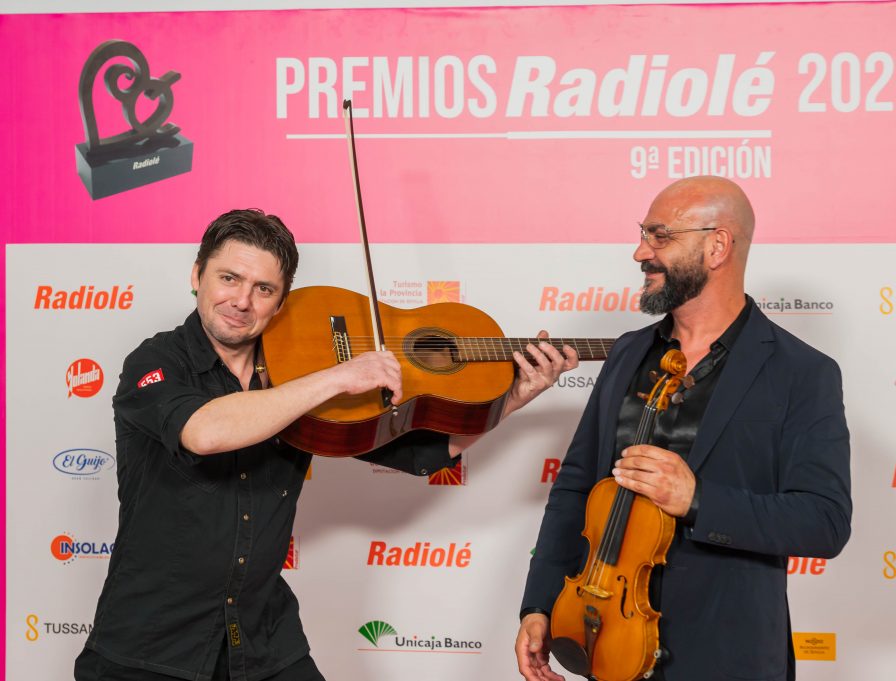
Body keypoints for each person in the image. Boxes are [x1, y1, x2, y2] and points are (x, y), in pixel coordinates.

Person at [75, 208, 579, 681]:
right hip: (150, 644)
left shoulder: (301, 363)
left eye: (263, 288)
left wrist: (511, 399)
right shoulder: (155, 360)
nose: (242, 301)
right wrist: (338, 377)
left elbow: (421, 453)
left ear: (282, 300)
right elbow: (205, 432)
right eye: (228, 278)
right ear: (197, 276)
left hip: (262, 639)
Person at [515, 177, 852, 681]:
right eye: (643, 234)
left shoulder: (802, 372)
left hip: (728, 657)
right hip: (607, 642)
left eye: (660, 236)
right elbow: (575, 488)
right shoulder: (627, 352)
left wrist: (696, 499)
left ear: (717, 246)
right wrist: (539, 603)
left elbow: (824, 521)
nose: (640, 252)